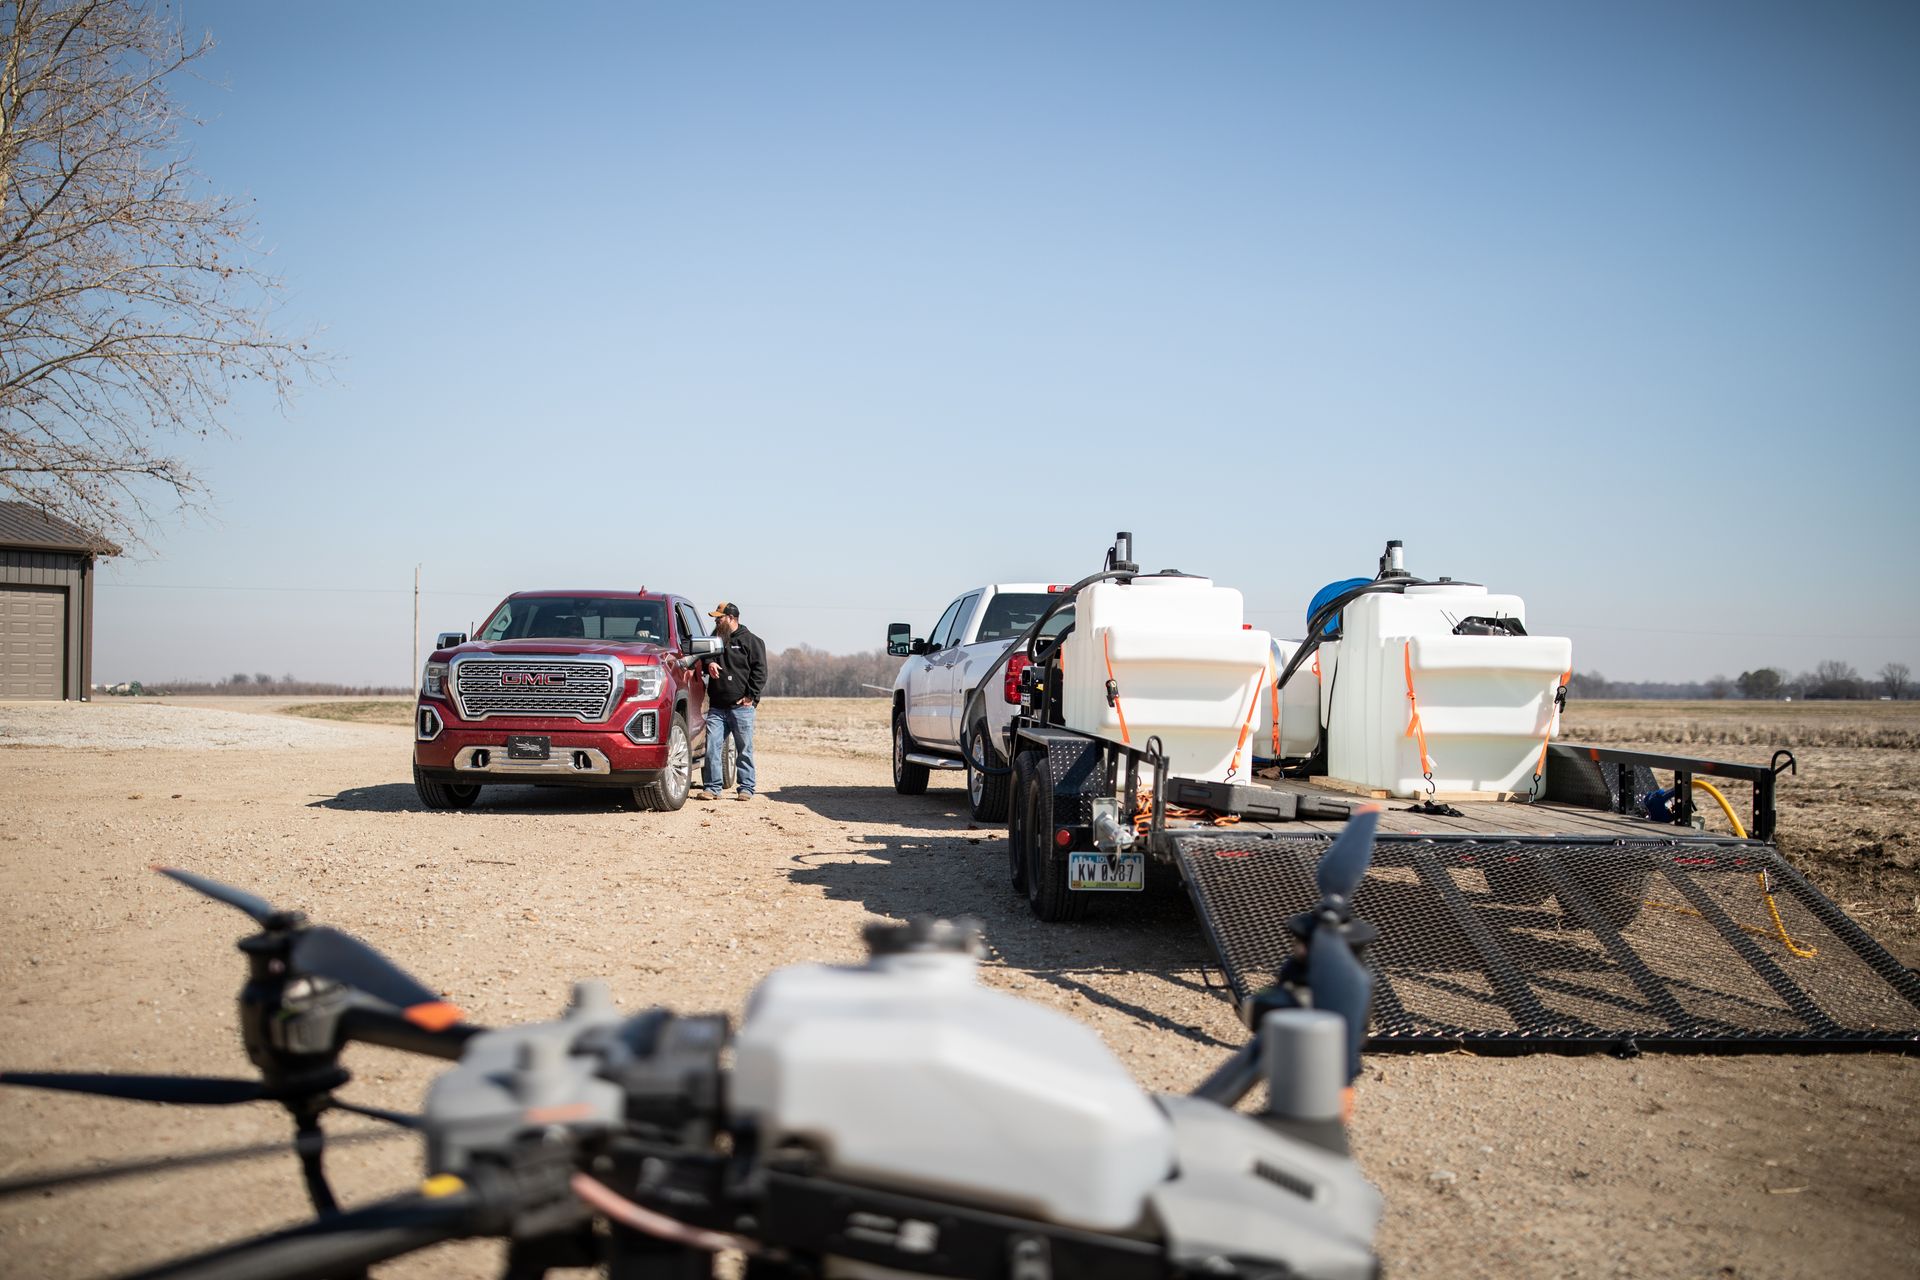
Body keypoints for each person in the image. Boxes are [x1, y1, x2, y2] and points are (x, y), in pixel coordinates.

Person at [698, 601, 767, 801]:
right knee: (712, 747)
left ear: (731, 618)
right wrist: (709, 663)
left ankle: (746, 787)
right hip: (717, 707)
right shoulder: (715, 639)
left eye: (719, 617)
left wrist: (751, 696)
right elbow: (702, 657)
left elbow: (760, 671)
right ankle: (712, 788)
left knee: (744, 748)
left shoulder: (752, 641)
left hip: (741, 707)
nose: (717, 621)